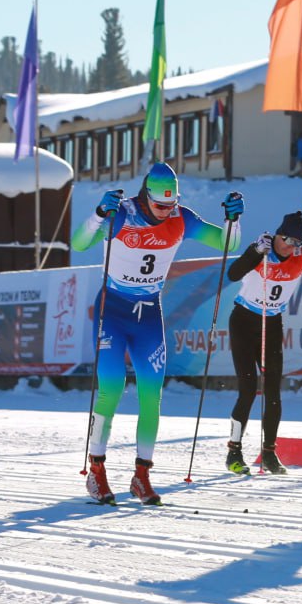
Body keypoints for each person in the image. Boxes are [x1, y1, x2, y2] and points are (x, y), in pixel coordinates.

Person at [72, 162, 245, 505]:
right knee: (112, 389)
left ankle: (142, 476)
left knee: (152, 396)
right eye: (160, 205)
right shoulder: (123, 214)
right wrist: (97, 214)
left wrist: (233, 220)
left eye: (172, 204)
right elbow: (80, 243)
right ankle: (97, 471)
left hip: (149, 313)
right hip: (114, 310)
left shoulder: (182, 218)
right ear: (145, 195)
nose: (167, 212)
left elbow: (226, 242)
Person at [225, 211, 302, 474]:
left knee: (273, 392)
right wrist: (254, 252)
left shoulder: (301, 257)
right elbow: (233, 274)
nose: (289, 247)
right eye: (286, 240)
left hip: (272, 324)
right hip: (244, 321)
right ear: (278, 234)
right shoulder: (262, 248)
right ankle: (234, 452)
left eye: (296, 242)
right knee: (247, 390)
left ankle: (269, 453)